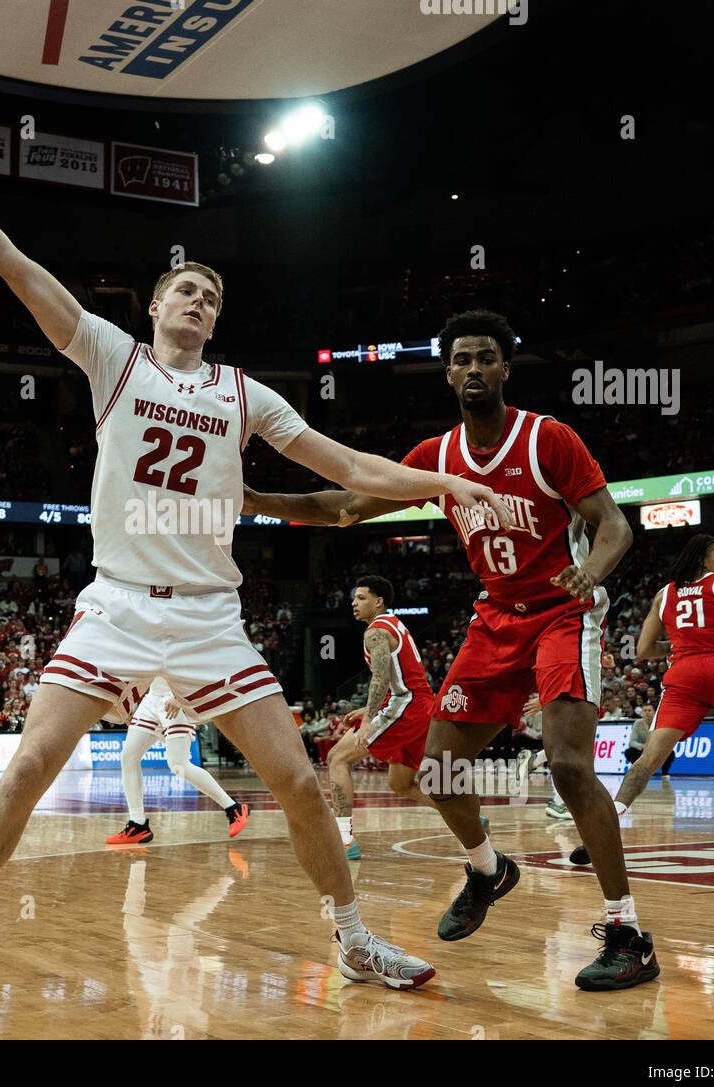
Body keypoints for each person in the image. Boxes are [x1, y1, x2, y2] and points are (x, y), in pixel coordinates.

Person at [0, 117, 514, 1022]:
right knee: (25, 773)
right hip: (119, 605)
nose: (199, 301)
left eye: (212, 296)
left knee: (296, 782)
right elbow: (14, 264)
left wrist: (444, 480)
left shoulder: (244, 393)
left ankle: (354, 936)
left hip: (212, 616)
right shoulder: (110, 356)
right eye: (185, 288)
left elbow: (351, 470)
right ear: (153, 306)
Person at [243, 309, 655, 991]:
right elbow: (343, 503)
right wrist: (252, 496)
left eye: (484, 358)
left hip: (562, 613)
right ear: (447, 373)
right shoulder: (435, 457)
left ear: (504, 369)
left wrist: (594, 571)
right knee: (436, 772)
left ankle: (627, 932)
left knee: (568, 766)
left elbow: (613, 525)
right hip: (495, 621)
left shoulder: (547, 438)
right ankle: (490, 869)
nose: (472, 369)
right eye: (460, 359)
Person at [569, 536, 714, 860]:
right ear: (704, 561)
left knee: (647, 760)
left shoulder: (664, 594)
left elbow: (644, 650)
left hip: (683, 673)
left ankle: (600, 831)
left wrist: (679, 646)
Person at [324, 576, 473, 861]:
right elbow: (395, 675)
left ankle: (344, 838)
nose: (354, 603)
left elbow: (380, 676)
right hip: (419, 705)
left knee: (337, 758)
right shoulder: (395, 625)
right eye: (354, 598)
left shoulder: (375, 632)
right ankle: (466, 817)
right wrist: (369, 709)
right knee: (400, 783)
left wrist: (369, 718)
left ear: (378, 601)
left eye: (362, 598)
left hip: (407, 705)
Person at [104, 677, 249, 845]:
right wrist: (127, 704)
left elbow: (196, 667)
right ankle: (138, 824)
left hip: (177, 699)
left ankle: (234, 808)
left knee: (179, 765)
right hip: (151, 699)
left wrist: (180, 698)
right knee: (128, 757)